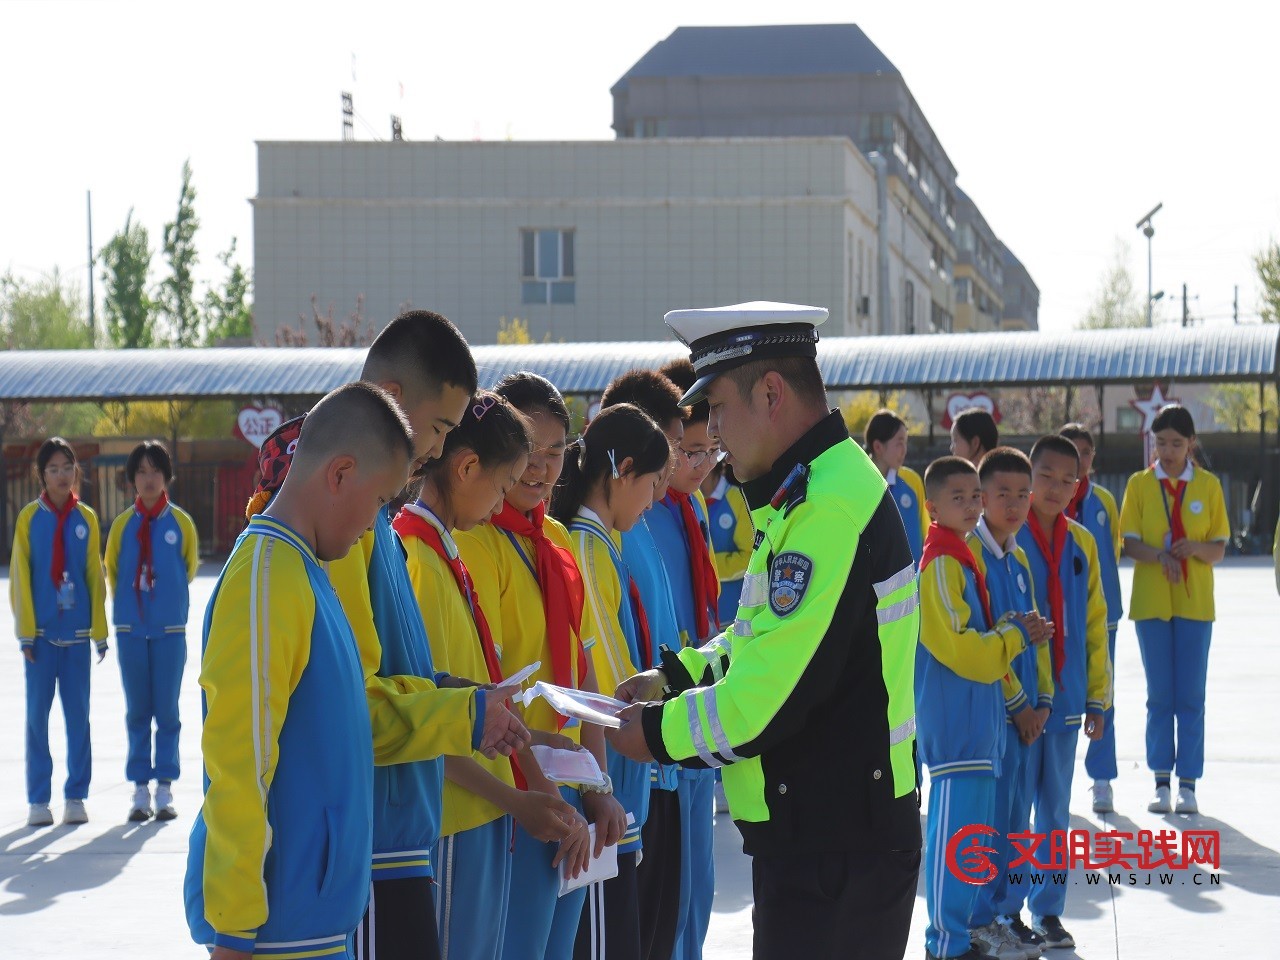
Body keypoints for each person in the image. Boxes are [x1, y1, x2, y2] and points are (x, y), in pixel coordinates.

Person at [607, 301, 922, 960]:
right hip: (826, 834)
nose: (713, 431)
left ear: (772, 394)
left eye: (718, 408)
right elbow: (762, 643)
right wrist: (678, 676)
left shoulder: (824, 508)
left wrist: (652, 735)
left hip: (837, 848)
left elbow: (761, 704)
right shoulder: (810, 490)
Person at [244, 310, 531, 960]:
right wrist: (464, 712)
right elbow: (352, 710)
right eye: (438, 429)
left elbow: (384, 673)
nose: (436, 450)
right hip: (367, 847)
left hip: (396, 841)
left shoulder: (370, 520)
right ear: (394, 400)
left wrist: (466, 698)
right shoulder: (337, 525)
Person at [184, 381, 415, 960]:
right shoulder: (267, 574)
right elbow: (239, 761)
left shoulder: (305, 569)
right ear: (339, 474)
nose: (376, 522)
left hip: (312, 928)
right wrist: (233, 931)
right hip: (274, 936)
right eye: (381, 499)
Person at [395, 390, 584, 960]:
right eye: (502, 487)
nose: (502, 502)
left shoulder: (445, 550)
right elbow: (422, 717)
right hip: (454, 816)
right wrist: (515, 797)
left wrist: (529, 740)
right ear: (466, 466)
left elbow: (471, 697)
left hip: (481, 816)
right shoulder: (417, 557)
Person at [456, 373, 625, 960]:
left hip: (565, 791)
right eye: (529, 450)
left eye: (557, 452)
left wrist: (598, 786)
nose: (542, 468)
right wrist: (545, 796)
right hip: (514, 794)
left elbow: (582, 675)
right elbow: (488, 687)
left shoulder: (554, 538)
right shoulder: (475, 542)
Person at [916, 455, 1050, 960]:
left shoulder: (962, 559)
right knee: (955, 840)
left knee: (972, 840)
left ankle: (966, 932)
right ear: (932, 506)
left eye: (976, 496)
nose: (972, 506)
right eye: (959, 498)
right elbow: (961, 648)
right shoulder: (941, 563)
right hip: (956, 729)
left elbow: (982, 644)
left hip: (978, 726)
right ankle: (945, 942)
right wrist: (1014, 635)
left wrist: (1012, 637)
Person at [553, 403, 671, 960]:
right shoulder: (586, 545)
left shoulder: (602, 543)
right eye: (650, 484)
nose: (652, 501)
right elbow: (605, 689)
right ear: (622, 471)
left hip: (618, 788)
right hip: (608, 790)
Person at [598, 370, 690, 960]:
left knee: (665, 923)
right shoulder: (603, 536)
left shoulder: (645, 521)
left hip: (656, 762)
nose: (677, 469)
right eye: (678, 449)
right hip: (630, 768)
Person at [1012, 435, 1111, 950]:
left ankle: (1048, 911)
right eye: (1044, 476)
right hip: (1021, 706)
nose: (1054, 488)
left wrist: (1098, 698)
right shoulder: (1008, 538)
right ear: (1029, 477)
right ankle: (1006, 910)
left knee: (1054, 812)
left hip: (1068, 703)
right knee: (1014, 808)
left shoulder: (1083, 544)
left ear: (1079, 486)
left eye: (1065, 480)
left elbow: (1095, 624)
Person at [1119, 404, 1228, 816]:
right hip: (1151, 604)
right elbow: (1128, 543)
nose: (1167, 451)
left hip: (1195, 605)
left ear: (1191, 444)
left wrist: (1195, 549)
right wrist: (1159, 556)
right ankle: (1160, 780)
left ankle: (1189, 783)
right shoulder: (1140, 485)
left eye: (1176, 444)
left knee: (1192, 697)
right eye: (1161, 442)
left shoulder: (1209, 487)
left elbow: (1218, 548)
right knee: (1160, 696)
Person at [968, 447, 1054, 959]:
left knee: (1018, 820)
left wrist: (1042, 702)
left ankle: (1010, 913)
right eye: (1004, 493)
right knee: (990, 822)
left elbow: (1035, 632)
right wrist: (1019, 704)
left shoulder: (1018, 557)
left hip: (1026, 718)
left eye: (1024, 493)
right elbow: (986, 642)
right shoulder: (971, 558)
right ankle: (983, 918)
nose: (1017, 503)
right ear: (981, 498)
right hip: (994, 716)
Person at [654, 356, 724, 960]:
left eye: (711, 452)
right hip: (664, 710)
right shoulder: (643, 514)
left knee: (699, 881)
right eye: (690, 451)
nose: (702, 465)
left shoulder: (691, 509)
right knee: (669, 887)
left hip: (697, 700)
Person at [9, 437, 108, 827]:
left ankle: (76, 795)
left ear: (76, 471)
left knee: (78, 717)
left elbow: (93, 578)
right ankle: (38, 799)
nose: (61, 475)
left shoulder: (86, 518)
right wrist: (26, 633)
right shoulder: (29, 519)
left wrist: (98, 631)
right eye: (53, 468)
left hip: (77, 635)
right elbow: (21, 577)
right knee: (37, 717)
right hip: (42, 637)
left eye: (67, 467)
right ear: (41, 474)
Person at [104, 440, 199, 823]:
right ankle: (140, 788)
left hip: (170, 629)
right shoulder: (123, 526)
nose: (148, 478)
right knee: (137, 711)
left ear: (166, 476)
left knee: (168, 711)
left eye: (154, 470)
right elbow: (112, 569)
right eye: (141, 471)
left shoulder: (182, 523)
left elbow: (188, 567)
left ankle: (165, 786)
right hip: (130, 630)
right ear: (132, 479)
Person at [1058, 424, 1124, 815]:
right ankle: (1056, 784)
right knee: (1056, 695)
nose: (1080, 459)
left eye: (1086, 452)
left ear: (1093, 457)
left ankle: (1102, 780)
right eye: (1073, 451)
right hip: (1054, 616)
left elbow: (1111, 552)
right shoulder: (1044, 502)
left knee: (1103, 696)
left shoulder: (1104, 502)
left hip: (1102, 615)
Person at [865, 409, 929, 565]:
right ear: (878, 446)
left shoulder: (912, 481)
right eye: (899, 443)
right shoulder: (859, 483)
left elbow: (925, 529)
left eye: (906, 443)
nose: (904, 450)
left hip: (914, 583)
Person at [702, 460, 753, 624]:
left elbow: (748, 557)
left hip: (732, 614)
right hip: (698, 619)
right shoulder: (684, 500)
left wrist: (704, 570)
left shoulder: (737, 498)